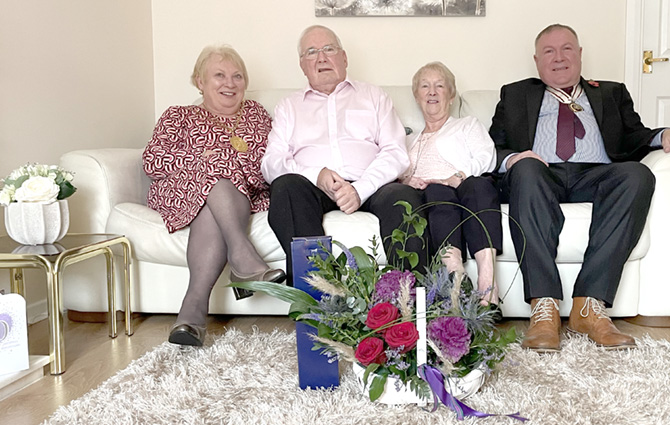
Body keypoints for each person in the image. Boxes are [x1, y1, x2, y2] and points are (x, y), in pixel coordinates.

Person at [489, 24, 670, 352]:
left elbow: (635, 136)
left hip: (596, 176)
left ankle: (589, 306)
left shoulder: (610, 92)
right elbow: (493, 147)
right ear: (536, 60)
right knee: (526, 170)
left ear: (579, 55)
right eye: (549, 51)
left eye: (566, 49)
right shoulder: (516, 93)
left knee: (637, 175)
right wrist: (516, 158)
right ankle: (543, 308)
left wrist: (666, 134)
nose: (559, 57)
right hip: (539, 175)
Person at [143, 45, 285, 347]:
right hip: (182, 189)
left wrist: (222, 162)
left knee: (213, 198)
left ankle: (192, 313)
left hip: (241, 193)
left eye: (237, 76)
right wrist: (201, 160)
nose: (229, 83)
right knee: (214, 168)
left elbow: (268, 165)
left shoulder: (257, 116)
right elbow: (153, 160)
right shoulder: (178, 116)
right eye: (219, 75)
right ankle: (243, 258)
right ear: (200, 82)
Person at [261, 25, 427, 281]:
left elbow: (395, 151)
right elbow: (271, 164)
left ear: (344, 57)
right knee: (285, 187)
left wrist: (360, 190)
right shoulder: (289, 107)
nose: (321, 57)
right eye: (312, 52)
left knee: (403, 197)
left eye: (329, 49)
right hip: (312, 188)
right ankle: (319, 300)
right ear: (302, 65)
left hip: (371, 185)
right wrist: (316, 175)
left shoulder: (374, 96)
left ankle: (409, 302)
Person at [399, 61, 501, 306]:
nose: (432, 92)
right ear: (417, 96)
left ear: (451, 95)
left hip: (464, 187)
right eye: (425, 86)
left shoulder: (466, 125)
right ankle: (457, 276)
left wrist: (458, 176)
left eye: (439, 86)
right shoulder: (406, 140)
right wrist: (406, 179)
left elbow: (488, 157)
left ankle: (488, 287)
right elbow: (393, 171)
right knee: (436, 191)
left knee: (479, 186)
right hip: (428, 195)